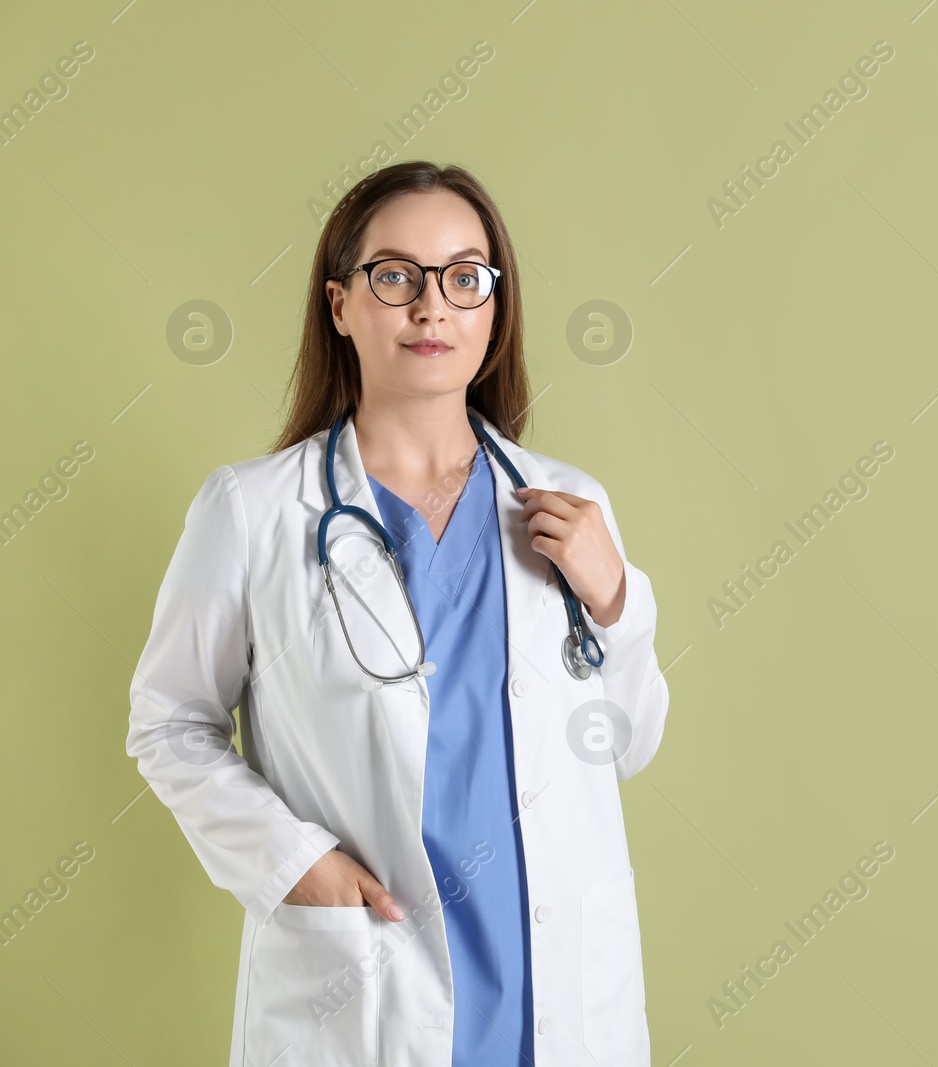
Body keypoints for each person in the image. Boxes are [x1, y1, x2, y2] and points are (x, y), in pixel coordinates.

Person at [126, 160, 669, 1067]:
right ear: (340, 303)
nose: (432, 308)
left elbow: (632, 743)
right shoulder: (254, 512)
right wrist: (293, 862)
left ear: (495, 304)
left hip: (554, 990)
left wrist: (615, 600)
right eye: (395, 277)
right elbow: (168, 721)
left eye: (465, 277)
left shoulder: (569, 503)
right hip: (363, 982)